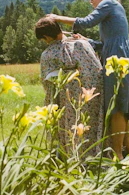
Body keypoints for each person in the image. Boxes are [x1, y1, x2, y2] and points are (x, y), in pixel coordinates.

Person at [47, 0, 129, 160]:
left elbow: (85, 22)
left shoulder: (109, 3)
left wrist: (56, 17)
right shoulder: (112, 9)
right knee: (122, 105)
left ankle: (118, 155)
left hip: (117, 58)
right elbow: (104, 44)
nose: (91, 1)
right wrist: (86, 40)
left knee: (117, 108)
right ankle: (126, 151)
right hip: (120, 55)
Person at [35, 17, 104, 158]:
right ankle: (93, 156)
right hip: (88, 97)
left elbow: (46, 82)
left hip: (64, 100)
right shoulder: (81, 45)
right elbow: (96, 70)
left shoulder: (47, 55)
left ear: (47, 37)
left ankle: (67, 157)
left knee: (67, 128)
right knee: (88, 126)